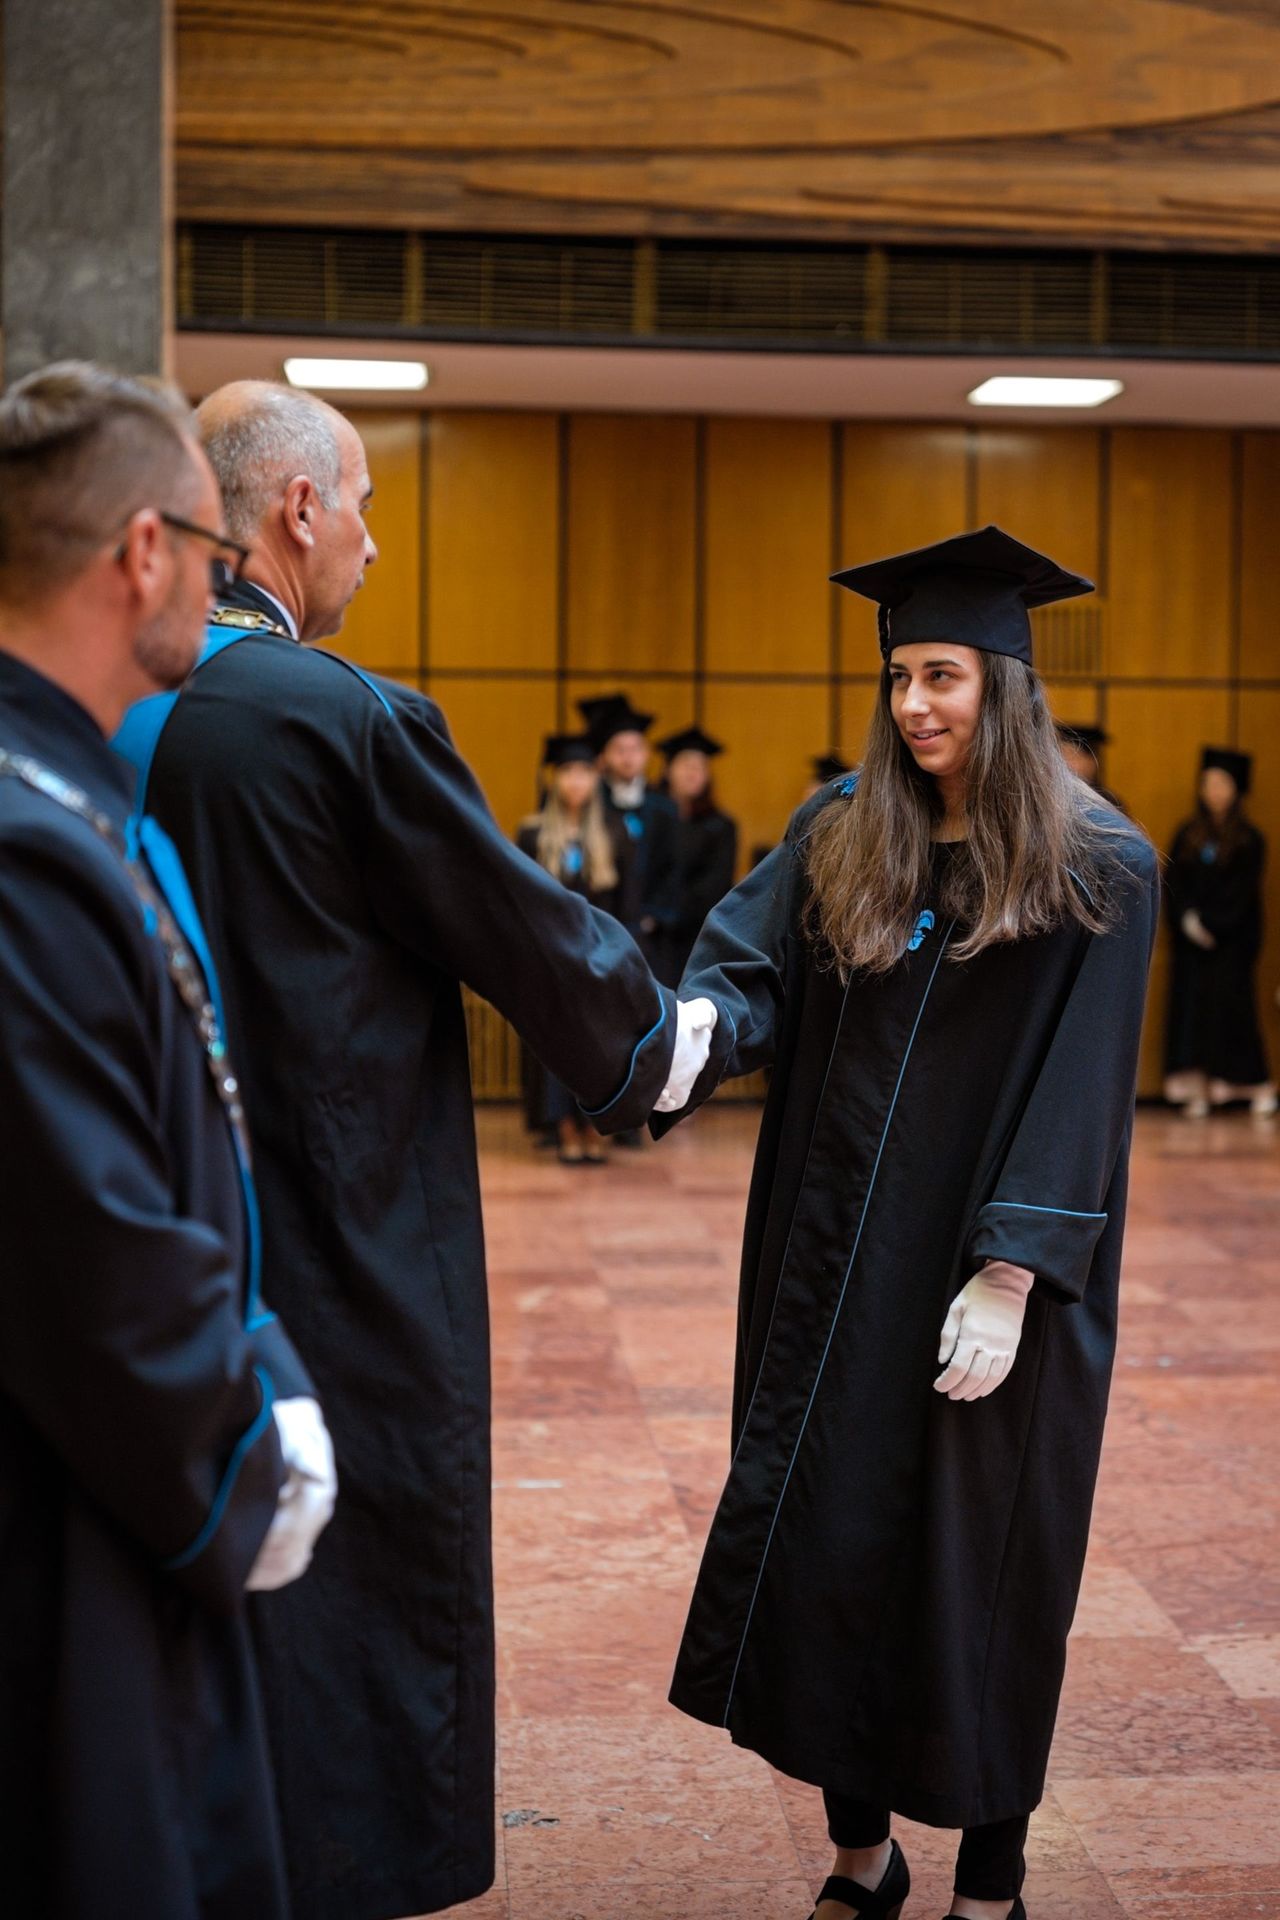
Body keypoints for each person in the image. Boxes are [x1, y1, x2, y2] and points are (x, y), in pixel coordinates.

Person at [113, 380, 702, 1920]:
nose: (373, 544)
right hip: (341, 1227)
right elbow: (517, 925)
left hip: (144, 1229)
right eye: (365, 506)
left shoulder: (107, 709)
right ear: (298, 507)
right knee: (358, 1567)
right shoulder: (337, 715)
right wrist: (658, 1045)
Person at [652, 526, 1158, 1920]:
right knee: (829, 1549)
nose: (916, 704)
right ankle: (861, 1858)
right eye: (899, 677)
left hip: (986, 1284)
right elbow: (743, 973)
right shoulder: (841, 829)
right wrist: (677, 1039)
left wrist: (1014, 1268)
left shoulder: (1098, 862)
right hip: (830, 1263)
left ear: (1005, 682)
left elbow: (1084, 1089)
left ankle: (991, 1885)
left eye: (944, 675)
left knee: (980, 1575)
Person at [0, 361, 334, 1920]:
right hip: (73, 1513)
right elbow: (89, 1242)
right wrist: (241, 1448)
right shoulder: (27, 849)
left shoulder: (69, 796)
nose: (221, 585)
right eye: (212, 554)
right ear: (145, 552)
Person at [517, 733, 637, 1162]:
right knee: (557, 1045)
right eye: (567, 771)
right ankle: (564, 1126)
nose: (576, 781)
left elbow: (628, 904)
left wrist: (623, 960)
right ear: (555, 778)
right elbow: (522, 901)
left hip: (600, 958)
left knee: (598, 1046)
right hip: (550, 959)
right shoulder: (532, 833)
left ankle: (593, 1126)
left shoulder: (615, 832)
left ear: (595, 778)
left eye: (585, 772)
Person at [1164, 746, 1276, 1117]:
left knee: (1233, 1013)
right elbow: (1174, 881)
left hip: (1232, 943)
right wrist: (1188, 919)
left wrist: (1213, 924)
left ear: (1236, 790)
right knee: (1193, 1014)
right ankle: (1197, 1089)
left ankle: (1247, 1085)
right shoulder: (1188, 834)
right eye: (1207, 783)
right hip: (1191, 943)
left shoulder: (1249, 838)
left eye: (1221, 784)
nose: (1213, 791)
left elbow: (1243, 892)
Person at [578, 689, 678, 955]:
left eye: (635, 749)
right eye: (619, 749)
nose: (628, 757)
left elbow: (671, 869)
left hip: (649, 932)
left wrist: (653, 917)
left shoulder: (663, 808)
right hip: (599, 925)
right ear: (604, 756)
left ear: (646, 753)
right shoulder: (592, 804)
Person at [655, 724, 739, 986]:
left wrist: (669, 912)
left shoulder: (721, 826)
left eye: (701, 767)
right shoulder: (650, 819)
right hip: (650, 937)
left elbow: (715, 886)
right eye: (686, 765)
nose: (693, 773)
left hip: (695, 937)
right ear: (668, 769)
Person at [1054, 720, 1125, 812]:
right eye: (1059, 755)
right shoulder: (1048, 798)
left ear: (1092, 761)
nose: (1066, 763)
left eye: (1072, 755)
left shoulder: (1107, 804)